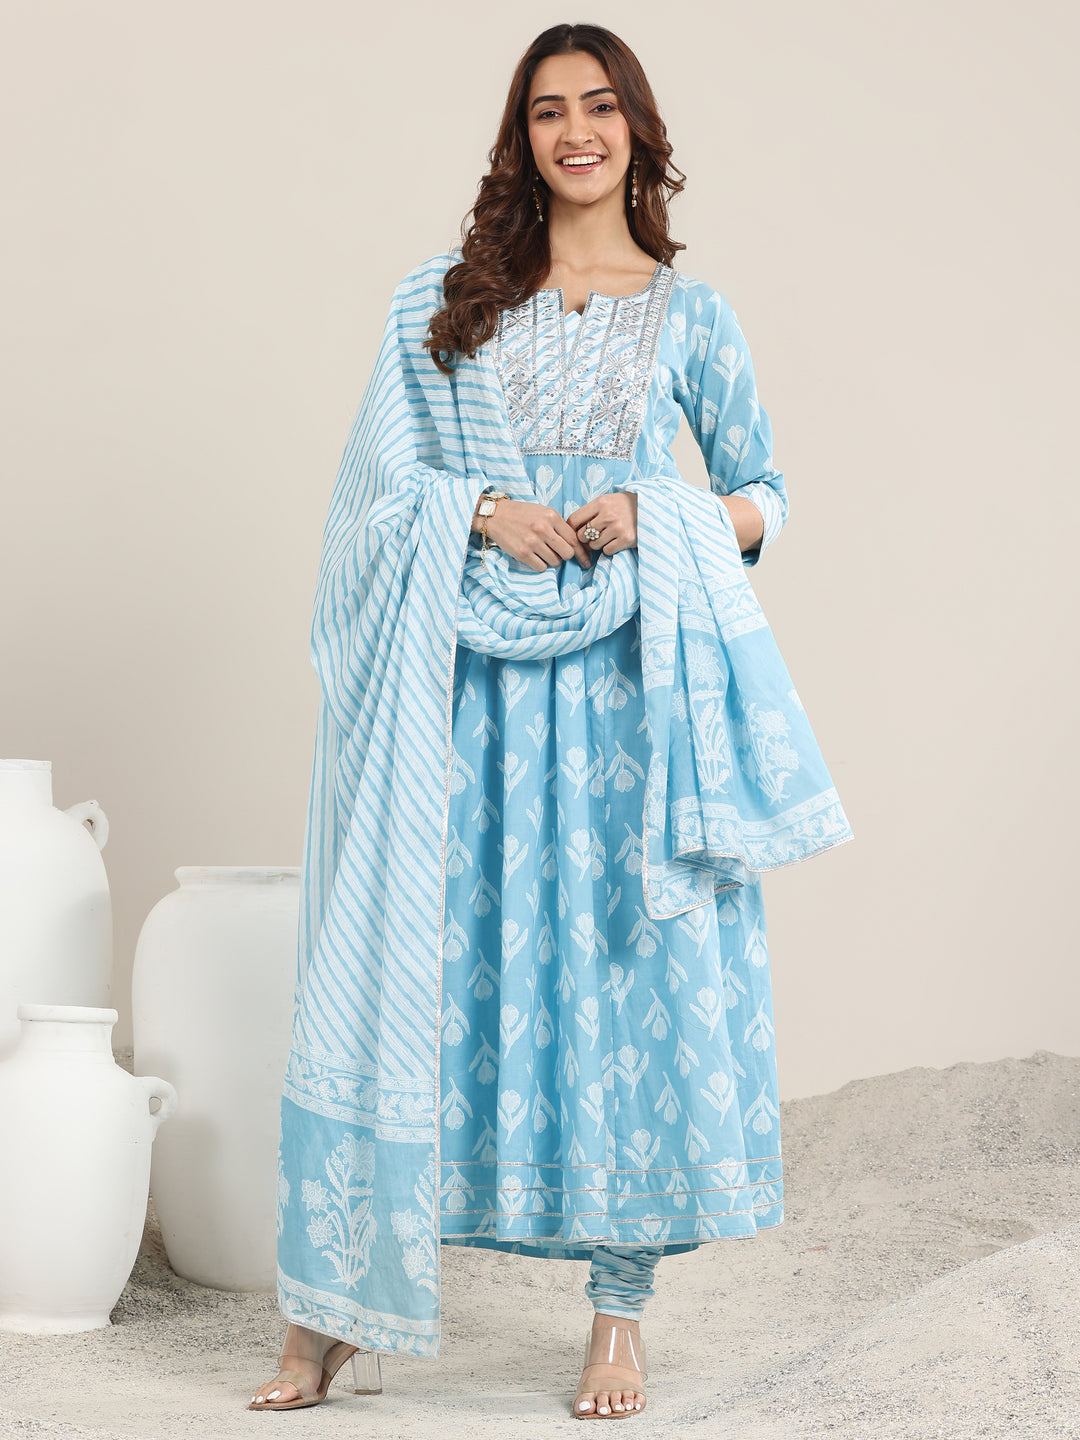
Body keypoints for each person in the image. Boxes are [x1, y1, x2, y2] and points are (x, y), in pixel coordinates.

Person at [249, 21, 852, 1421]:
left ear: (639, 130)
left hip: (633, 704)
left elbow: (768, 497)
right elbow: (367, 505)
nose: (575, 131)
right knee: (420, 964)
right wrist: (476, 509)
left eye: (599, 106)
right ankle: (330, 1311)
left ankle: (617, 1317)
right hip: (464, 700)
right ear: (520, 141)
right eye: (546, 112)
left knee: (629, 978)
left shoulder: (694, 318)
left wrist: (664, 510)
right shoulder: (446, 303)